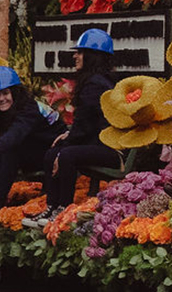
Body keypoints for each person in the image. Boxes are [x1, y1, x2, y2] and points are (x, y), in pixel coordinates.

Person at [36, 29, 120, 217]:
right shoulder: (96, 81)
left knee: (65, 154)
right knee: (53, 152)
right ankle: (52, 207)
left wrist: (66, 143)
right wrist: (66, 139)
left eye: (80, 52)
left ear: (92, 56)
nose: (75, 56)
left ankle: (62, 210)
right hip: (97, 144)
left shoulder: (95, 84)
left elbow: (84, 127)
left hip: (110, 151)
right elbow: (86, 125)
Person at [0, 66, 61, 221]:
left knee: (9, 150)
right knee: (3, 149)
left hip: (53, 154)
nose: (1, 99)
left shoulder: (29, 107)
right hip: (34, 150)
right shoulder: (1, 114)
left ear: (15, 93)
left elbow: (16, 133)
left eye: (5, 93)